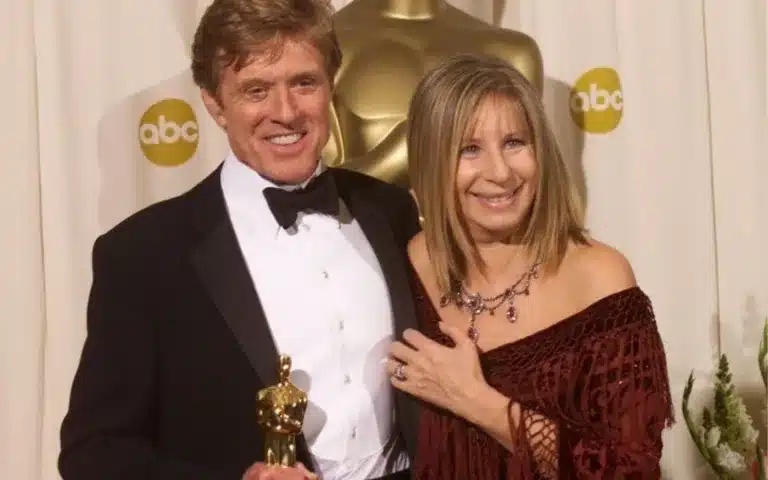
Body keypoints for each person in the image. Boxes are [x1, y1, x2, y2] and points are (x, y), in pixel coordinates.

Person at [58, 1, 420, 479]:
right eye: (256, 90)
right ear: (213, 103)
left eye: (303, 82)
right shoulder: (143, 255)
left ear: (331, 83)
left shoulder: (390, 212)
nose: (285, 112)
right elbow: (94, 454)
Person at [386, 54, 675, 479]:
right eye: (469, 149)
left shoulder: (599, 278)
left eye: (515, 143)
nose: (500, 172)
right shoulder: (405, 260)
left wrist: (477, 401)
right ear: (430, 163)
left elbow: (632, 471)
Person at [323, 0, 543, 187]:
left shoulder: (513, 53)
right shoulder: (323, 45)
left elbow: (534, 185)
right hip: (368, 235)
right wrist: (411, 148)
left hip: (483, 236)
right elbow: (316, 192)